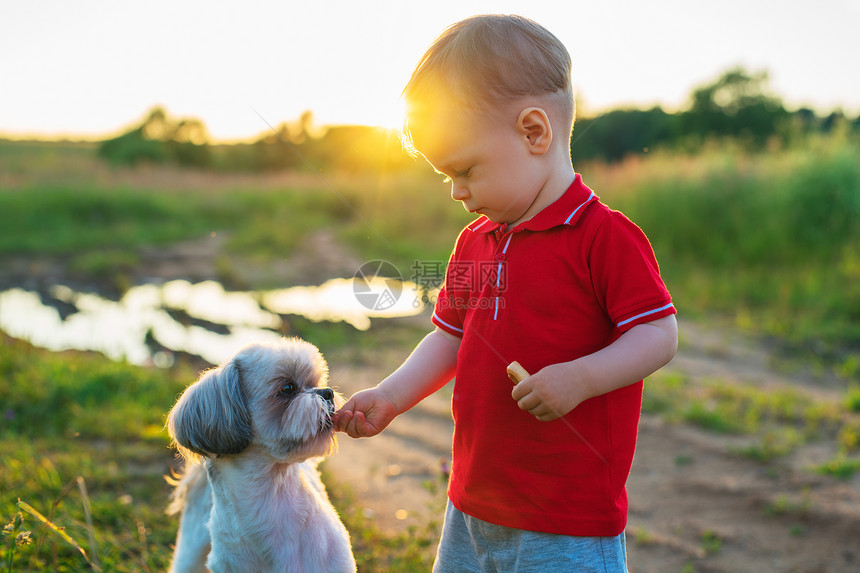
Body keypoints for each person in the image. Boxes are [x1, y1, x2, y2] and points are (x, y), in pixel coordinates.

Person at [334, 14, 678, 573]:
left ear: (534, 132)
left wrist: (582, 376)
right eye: (445, 174)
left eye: (465, 169)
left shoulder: (604, 238)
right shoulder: (474, 242)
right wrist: (392, 396)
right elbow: (448, 340)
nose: (455, 190)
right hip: (472, 504)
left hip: (564, 519)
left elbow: (658, 334)